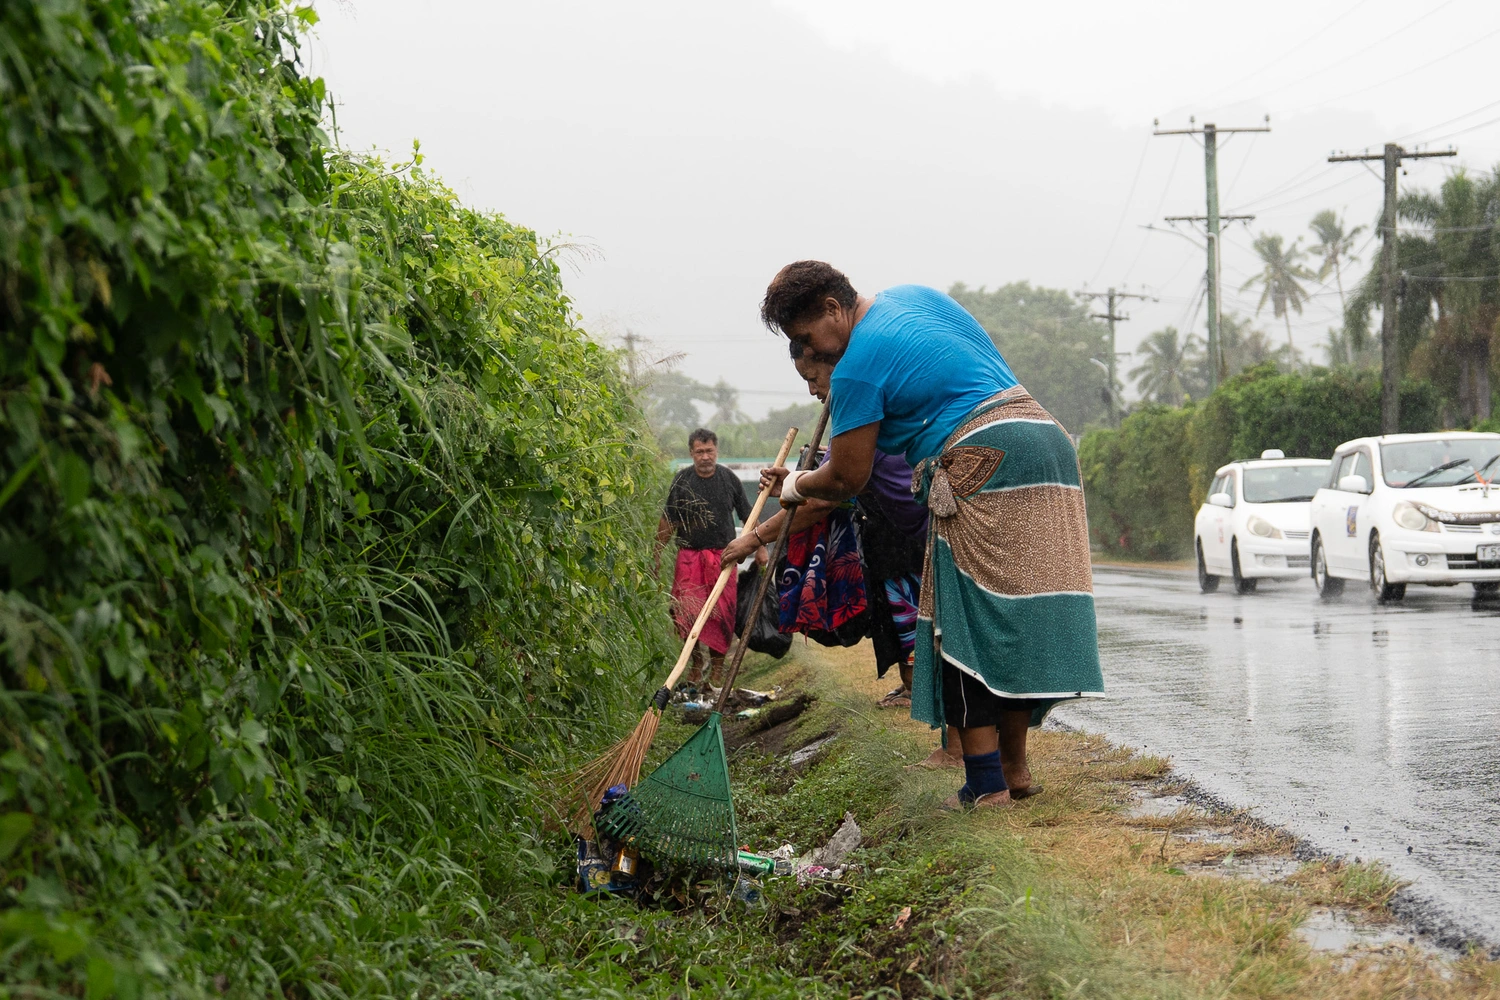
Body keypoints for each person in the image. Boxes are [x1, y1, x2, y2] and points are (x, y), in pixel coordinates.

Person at [757, 261, 1104, 810]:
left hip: (980, 457)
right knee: (1014, 614)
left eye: (806, 338)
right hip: (1044, 439)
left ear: (832, 309)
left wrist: (796, 483)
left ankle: (985, 784)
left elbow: (848, 476)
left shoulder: (856, 371)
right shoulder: (913, 296)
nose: (812, 351)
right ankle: (1014, 769)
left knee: (962, 620)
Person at [721, 342, 963, 768]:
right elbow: (826, 486)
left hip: (932, 536)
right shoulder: (858, 422)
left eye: (815, 378)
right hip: (916, 538)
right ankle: (958, 746)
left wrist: (753, 538)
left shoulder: (863, 422)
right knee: (931, 638)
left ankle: (959, 749)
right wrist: (795, 481)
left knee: (942, 642)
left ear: (839, 370)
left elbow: (824, 500)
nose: (814, 391)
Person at [656, 428, 753, 687]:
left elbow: (748, 515)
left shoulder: (729, 479)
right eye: (700, 451)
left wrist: (760, 548)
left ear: (716, 450)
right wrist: (656, 554)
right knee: (685, 613)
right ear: (691, 453)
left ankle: (718, 671)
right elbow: (668, 519)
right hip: (688, 558)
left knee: (721, 615)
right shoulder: (682, 480)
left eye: (709, 451)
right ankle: (696, 665)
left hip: (723, 559)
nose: (705, 456)